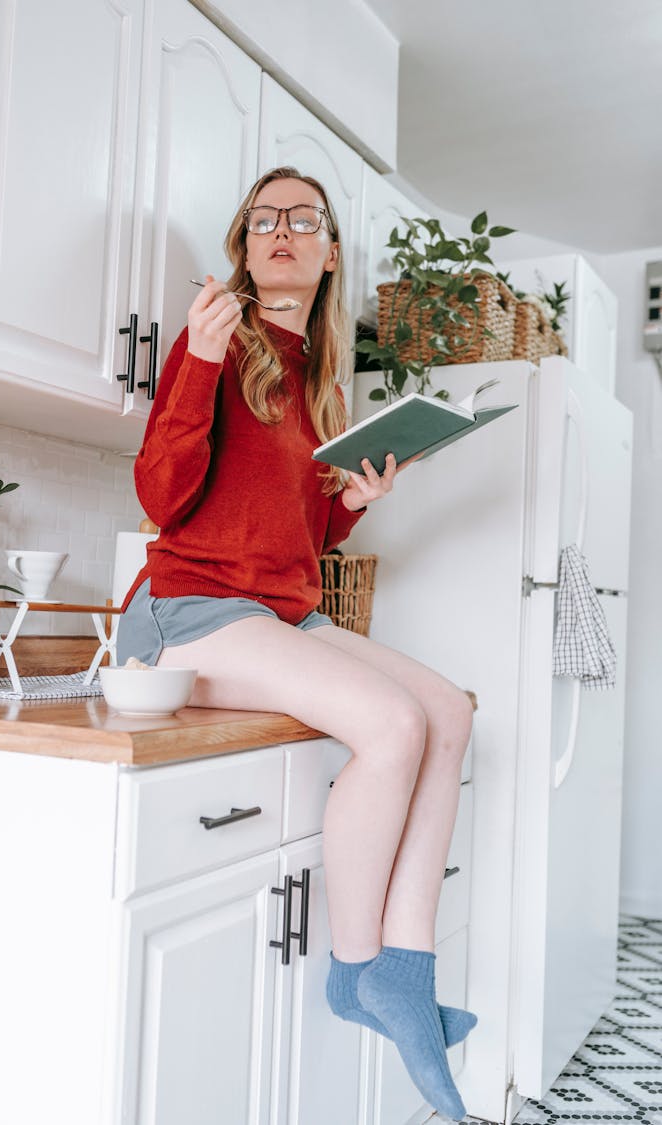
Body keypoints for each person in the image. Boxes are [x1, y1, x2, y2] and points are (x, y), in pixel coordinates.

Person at [118, 166, 474, 1121]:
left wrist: (348, 504)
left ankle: (408, 959)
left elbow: (298, 537)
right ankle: (361, 971)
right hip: (187, 610)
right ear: (244, 246)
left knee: (449, 710)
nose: (282, 229)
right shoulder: (218, 342)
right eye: (263, 218)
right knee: (394, 724)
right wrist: (192, 362)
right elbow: (160, 498)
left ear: (326, 253)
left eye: (302, 219)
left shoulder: (320, 376)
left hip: (273, 613)